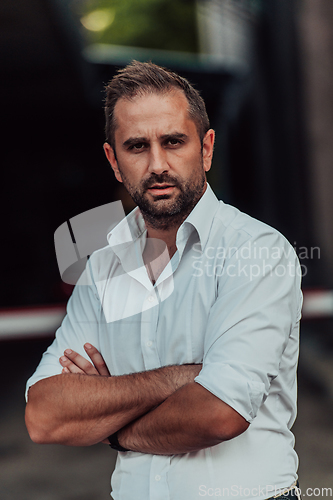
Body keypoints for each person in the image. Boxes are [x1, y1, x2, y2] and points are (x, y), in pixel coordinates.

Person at [25, 61, 303, 500]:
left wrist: (110, 423)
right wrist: (180, 378)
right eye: (136, 146)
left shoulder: (256, 252)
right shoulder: (103, 266)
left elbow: (218, 413)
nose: (157, 164)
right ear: (114, 161)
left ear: (206, 148)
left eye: (173, 141)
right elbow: (44, 416)